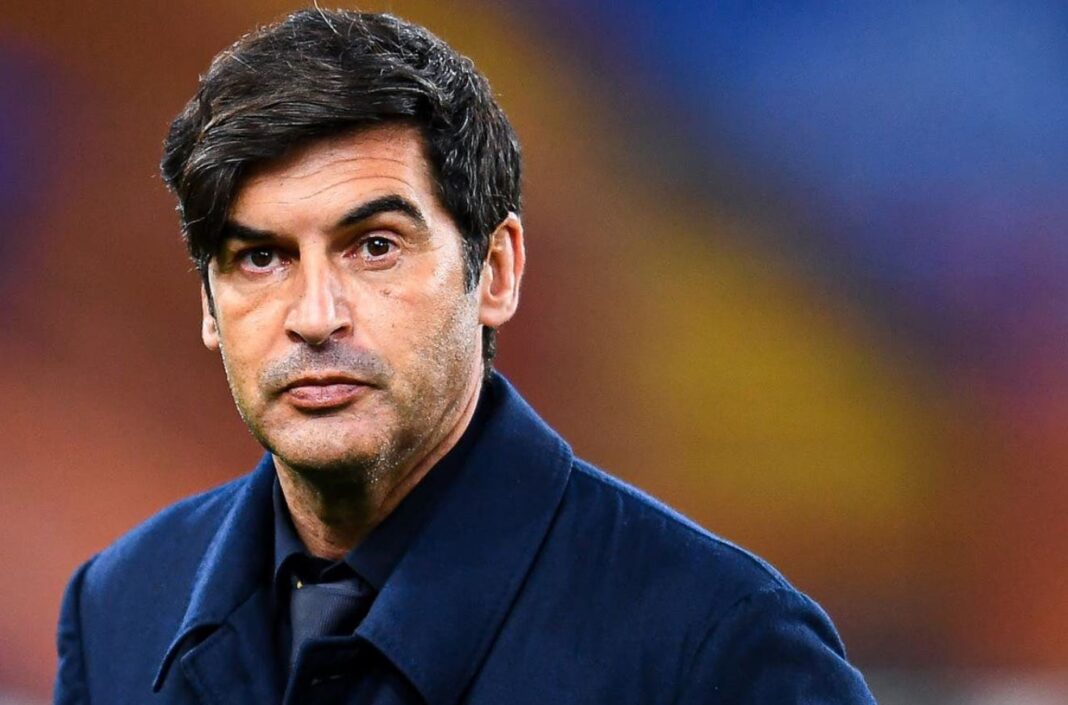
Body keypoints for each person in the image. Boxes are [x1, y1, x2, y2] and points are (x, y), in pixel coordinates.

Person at [54, 9, 877, 704]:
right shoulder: (117, 607)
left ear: (498, 271)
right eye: (261, 258)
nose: (314, 316)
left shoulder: (717, 643)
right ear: (208, 304)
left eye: (375, 246)